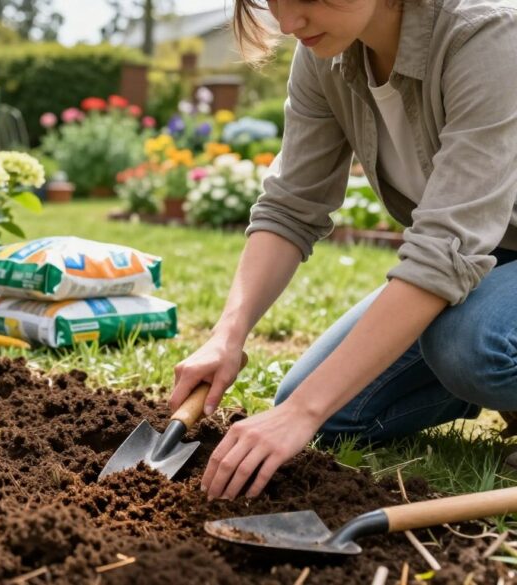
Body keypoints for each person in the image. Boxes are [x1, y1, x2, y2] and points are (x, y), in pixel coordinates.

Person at [167, 0, 517, 501]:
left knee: (472, 348)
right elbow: (291, 207)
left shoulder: (487, 35)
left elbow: (446, 245)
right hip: (488, 260)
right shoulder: (325, 55)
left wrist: (300, 413)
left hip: (474, 255)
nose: (288, 23)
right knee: (332, 413)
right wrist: (228, 335)